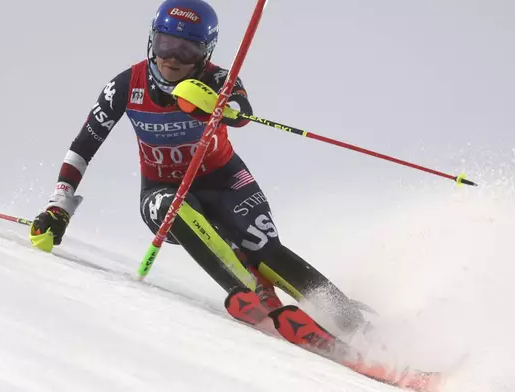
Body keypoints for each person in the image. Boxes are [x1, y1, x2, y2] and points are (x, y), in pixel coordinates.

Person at [30, 0, 365, 334]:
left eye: (187, 50)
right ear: (152, 40)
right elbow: (83, 146)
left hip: (225, 180)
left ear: (205, 53)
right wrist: (59, 206)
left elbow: (240, 107)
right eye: (165, 45)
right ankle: (249, 289)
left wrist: (216, 106)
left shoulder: (218, 77)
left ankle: (352, 321)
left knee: (261, 245)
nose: (173, 59)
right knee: (173, 208)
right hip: (162, 190)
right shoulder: (124, 87)